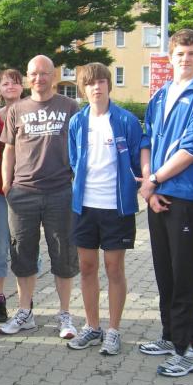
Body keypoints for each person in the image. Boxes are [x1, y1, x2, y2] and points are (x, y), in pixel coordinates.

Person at [138, 28, 193, 377]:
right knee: (165, 271)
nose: (185, 59)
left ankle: (190, 350)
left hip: (185, 196)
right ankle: (171, 336)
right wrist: (149, 183)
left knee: (185, 274)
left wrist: (155, 180)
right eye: (179, 54)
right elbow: (146, 140)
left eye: (191, 53)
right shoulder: (160, 95)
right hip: (157, 193)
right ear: (170, 58)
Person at [0, 55, 80, 338]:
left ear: (53, 75)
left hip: (60, 192)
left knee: (63, 255)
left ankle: (65, 315)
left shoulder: (69, 107)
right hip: (23, 193)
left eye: (44, 73)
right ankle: (25, 312)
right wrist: (7, 184)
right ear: (27, 76)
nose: (39, 78)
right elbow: (8, 149)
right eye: (33, 73)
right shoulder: (16, 109)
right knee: (22, 254)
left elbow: (81, 147)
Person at [67, 63, 143, 355]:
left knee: (114, 268)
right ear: (83, 89)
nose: (96, 87)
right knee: (87, 268)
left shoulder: (126, 120)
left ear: (109, 85)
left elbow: (136, 162)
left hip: (116, 207)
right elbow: (74, 160)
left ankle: (113, 330)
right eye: (90, 83)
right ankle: (92, 326)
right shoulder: (77, 122)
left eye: (101, 81)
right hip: (85, 207)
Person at [0, 69, 23, 323]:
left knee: (25, 248)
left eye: (15, 82)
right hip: (0, 191)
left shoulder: (32, 112)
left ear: (23, 86)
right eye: (6, 83)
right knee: (0, 247)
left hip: (28, 190)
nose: (10, 86)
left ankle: (25, 301)